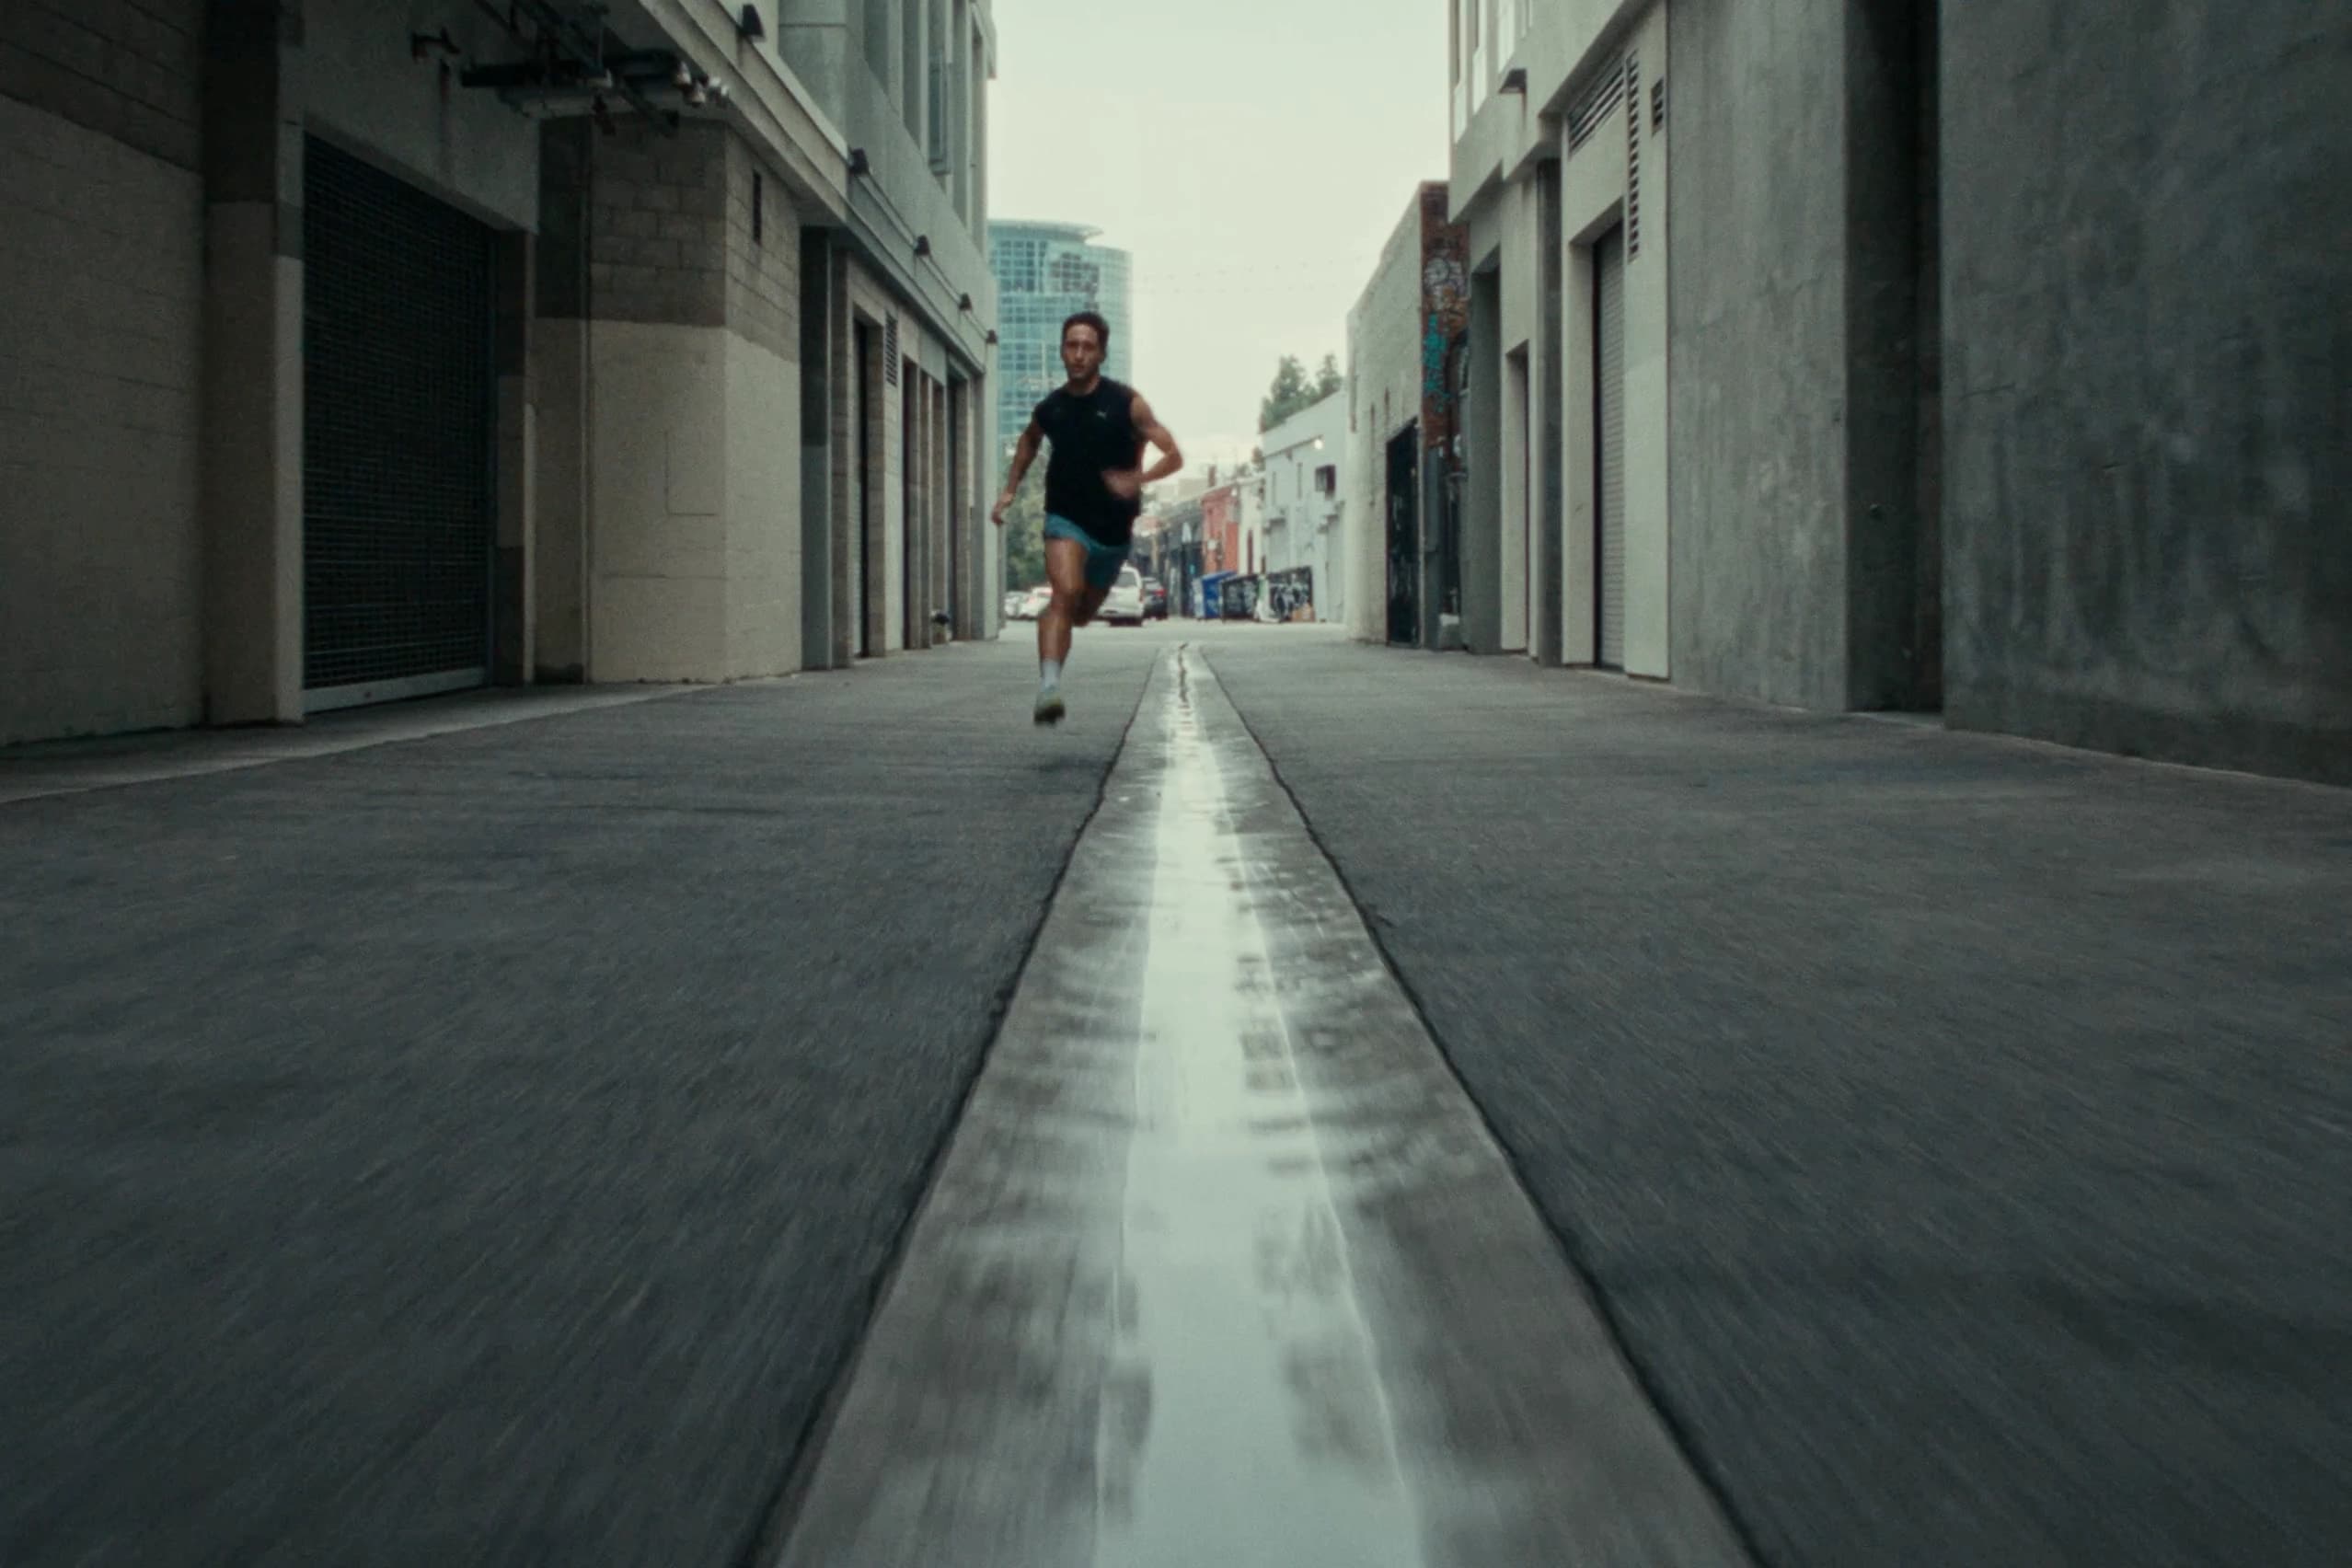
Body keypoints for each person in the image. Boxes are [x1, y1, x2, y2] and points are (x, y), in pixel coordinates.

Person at [991, 310, 1183, 724]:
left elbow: (1174, 454)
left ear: (1101, 354)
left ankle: (1056, 657)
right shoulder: (1052, 408)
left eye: (1087, 347)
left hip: (1113, 532)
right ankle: (1049, 689)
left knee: (1080, 611)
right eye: (1071, 345)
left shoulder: (1127, 403)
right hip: (1064, 518)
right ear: (1062, 350)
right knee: (1064, 594)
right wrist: (1010, 489)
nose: (1078, 355)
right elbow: (1028, 442)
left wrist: (1139, 478)